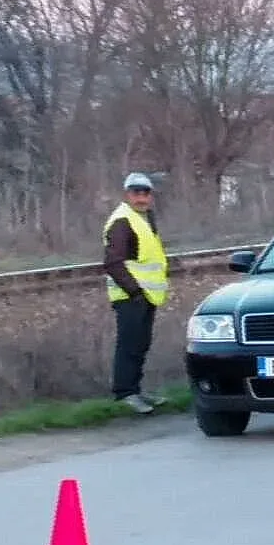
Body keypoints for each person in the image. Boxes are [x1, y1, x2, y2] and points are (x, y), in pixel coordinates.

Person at [103, 172, 170, 414]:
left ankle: (136, 390)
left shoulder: (143, 218)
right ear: (127, 194)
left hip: (145, 296)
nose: (141, 197)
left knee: (140, 344)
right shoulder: (122, 220)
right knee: (129, 345)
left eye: (145, 192)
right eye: (136, 192)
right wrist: (135, 291)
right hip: (130, 296)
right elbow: (113, 262)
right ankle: (125, 393)